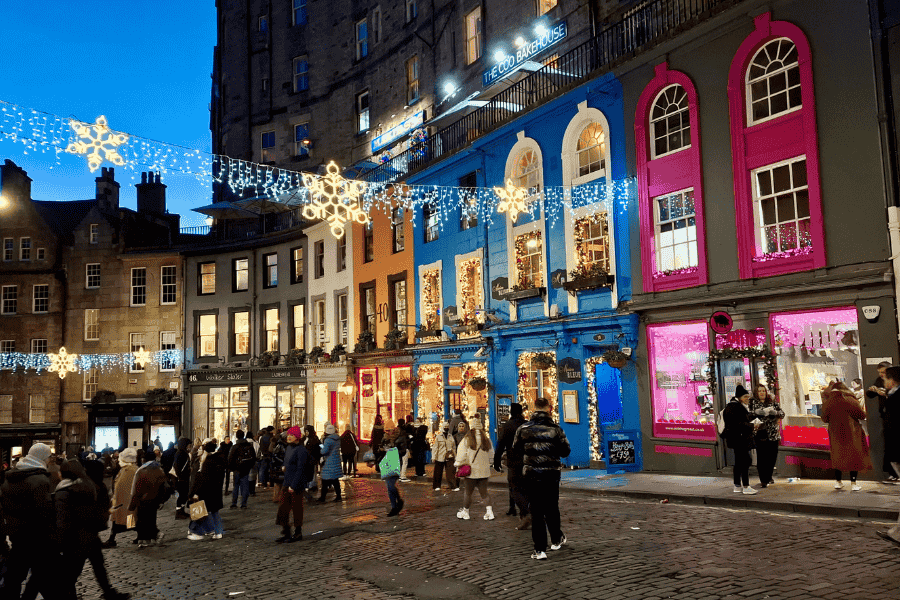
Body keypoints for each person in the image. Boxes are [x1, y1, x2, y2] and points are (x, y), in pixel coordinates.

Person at [56, 459, 130, 600]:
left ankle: (70, 595)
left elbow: (63, 519)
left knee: (72, 572)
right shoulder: (89, 486)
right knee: (97, 566)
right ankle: (108, 592)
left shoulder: (65, 490)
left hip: (74, 538)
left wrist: (60, 541)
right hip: (91, 534)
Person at [512, 397, 571, 560]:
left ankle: (540, 549)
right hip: (551, 473)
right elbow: (565, 451)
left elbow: (516, 449)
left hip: (531, 474)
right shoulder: (556, 429)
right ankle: (556, 539)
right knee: (552, 507)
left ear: (534, 407)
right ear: (548, 408)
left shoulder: (524, 429)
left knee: (536, 511)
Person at [0, 443, 60, 600]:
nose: (49, 461)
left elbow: (6, 507)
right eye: (48, 457)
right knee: (42, 576)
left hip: (17, 535)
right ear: (42, 457)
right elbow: (44, 512)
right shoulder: (40, 480)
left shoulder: (10, 478)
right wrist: (54, 537)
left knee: (14, 577)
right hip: (37, 537)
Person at [822, 380, 872, 490]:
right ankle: (853, 483)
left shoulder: (829, 402)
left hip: (835, 432)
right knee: (853, 456)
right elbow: (861, 415)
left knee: (837, 456)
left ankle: (838, 481)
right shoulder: (850, 400)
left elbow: (824, 418)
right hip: (852, 432)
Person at [495, 403, 530, 529]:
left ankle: (526, 513)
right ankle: (524, 515)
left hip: (514, 461)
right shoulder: (527, 425)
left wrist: (496, 461)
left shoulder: (508, 426)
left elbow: (500, 444)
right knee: (526, 488)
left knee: (515, 488)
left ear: (511, 412)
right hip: (528, 461)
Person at [454, 416, 494, 521]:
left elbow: (461, 455)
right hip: (484, 471)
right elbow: (491, 455)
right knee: (484, 493)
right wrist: (489, 464)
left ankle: (466, 512)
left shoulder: (467, 439)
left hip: (471, 471)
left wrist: (458, 464)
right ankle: (489, 512)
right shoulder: (486, 440)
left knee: (468, 493)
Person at [128, 449, 169, 548]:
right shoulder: (159, 470)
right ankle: (149, 539)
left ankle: (151, 538)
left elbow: (136, 490)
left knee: (142, 521)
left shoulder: (141, 471)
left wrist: (131, 505)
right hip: (155, 500)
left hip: (143, 500)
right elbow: (165, 487)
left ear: (144, 459)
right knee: (151, 520)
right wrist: (162, 501)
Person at [188, 439, 226, 540]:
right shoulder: (220, 459)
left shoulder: (208, 462)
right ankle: (218, 532)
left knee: (200, 511)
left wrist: (196, 491)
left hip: (208, 490)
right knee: (214, 512)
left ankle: (198, 532)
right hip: (217, 490)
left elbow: (204, 478)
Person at [723, 385, 758, 495]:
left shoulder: (733, 406)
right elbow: (738, 424)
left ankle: (737, 485)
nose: (748, 399)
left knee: (739, 462)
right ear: (739, 397)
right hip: (740, 439)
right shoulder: (736, 407)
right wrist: (752, 426)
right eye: (745, 397)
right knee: (745, 462)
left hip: (736, 439)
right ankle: (746, 486)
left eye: (748, 396)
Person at [276, 427, 309, 543]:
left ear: (297, 437)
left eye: (292, 435)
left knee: (297, 509)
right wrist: (284, 467)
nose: (289, 437)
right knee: (283, 509)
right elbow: (288, 462)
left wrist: (293, 485)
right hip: (287, 482)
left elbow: (301, 469)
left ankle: (298, 532)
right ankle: (286, 531)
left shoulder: (301, 450)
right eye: (288, 435)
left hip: (296, 485)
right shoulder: (289, 448)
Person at [869, 362, 900, 482]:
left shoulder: (895, 394)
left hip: (895, 428)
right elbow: (869, 394)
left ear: (893, 379)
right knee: (891, 454)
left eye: (885, 375)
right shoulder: (890, 391)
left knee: (894, 454)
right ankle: (893, 474)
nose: (883, 378)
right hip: (889, 426)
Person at [750, 385, 785, 488]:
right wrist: (755, 413)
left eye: (763, 391)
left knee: (772, 457)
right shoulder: (752, 403)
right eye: (759, 391)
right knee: (762, 457)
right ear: (756, 393)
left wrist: (776, 413)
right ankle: (763, 480)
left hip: (773, 434)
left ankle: (769, 476)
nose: (762, 393)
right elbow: (747, 415)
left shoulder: (772, 402)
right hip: (761, 433)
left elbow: (782, 414)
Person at [104, 447, 138, 547]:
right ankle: (112, 539)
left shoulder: (131, 470)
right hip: (122, 502)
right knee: (121, 520)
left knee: (126, 521)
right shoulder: (127, 469)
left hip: (126, 502)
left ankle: (112, 539)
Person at [380, 424, 405, 517]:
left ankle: (396, 505)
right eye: (386, 430)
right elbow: (380, 450)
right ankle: (395, 506)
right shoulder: (385, 439)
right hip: (386, 463)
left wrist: (393, 451)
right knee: (389, 487)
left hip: (395, 463)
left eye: (389, 430)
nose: (388, 432)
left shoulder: (400, 438)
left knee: (390, 486)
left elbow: (403, 451)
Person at [227, 430, 256, 509]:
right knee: (245, 486)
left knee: (236, 486)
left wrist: (231, 468)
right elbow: (253, 457)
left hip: (237, 469)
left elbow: (230, 458)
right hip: (246, 468)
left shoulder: (235, 446)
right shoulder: (249, 446)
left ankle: (234, 503)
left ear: (237, 436)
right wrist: (250, 466)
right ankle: (244, 503)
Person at [319, 424, 343, 502]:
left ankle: (322, 498)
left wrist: (321, 445)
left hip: (329, 462)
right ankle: (339, 496)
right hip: (336, 461)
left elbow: (324, 451)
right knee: (335, 480)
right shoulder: (337, 439)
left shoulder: (328, 440)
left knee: (325, 480)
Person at [432, 423, 458, 492]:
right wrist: (434, 457)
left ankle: (452, 486)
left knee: (450, 472)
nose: (446, 427)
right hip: (440, 456)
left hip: (449, 456)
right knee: (438, 472)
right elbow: (435, 447)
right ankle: (436, 486)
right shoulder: (438, 437)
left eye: (447, 426)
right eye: (445, 426)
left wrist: (455, 456)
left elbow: (453, 447)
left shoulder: (450, 436)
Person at [173, 437, 192, 518]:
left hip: (184, 478)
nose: (189, 447)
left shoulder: (183, 453)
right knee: (181, 495)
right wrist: (180, 477)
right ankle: (178, 512)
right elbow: (177, 467)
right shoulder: (180, 454)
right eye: (188, 445)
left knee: (184, 495)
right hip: (181, 479)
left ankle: (182, 511)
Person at [304, 426, 321, 494]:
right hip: (306, 459)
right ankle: (309, 484)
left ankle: (312, 484)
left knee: (313, 472)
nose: (306, 432)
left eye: (307, 431)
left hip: (313, 458)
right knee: (309, 472)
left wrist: (324, 449)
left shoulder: (315, 438)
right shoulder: (305, 438)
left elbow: (321, 445)